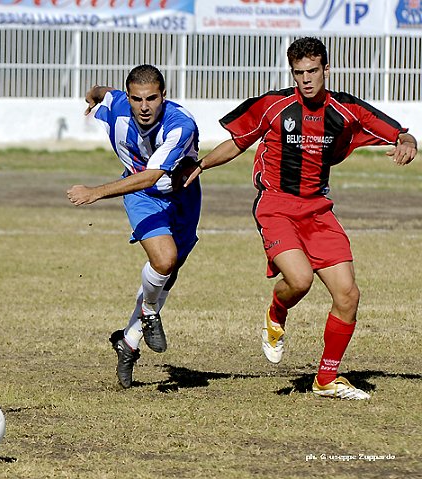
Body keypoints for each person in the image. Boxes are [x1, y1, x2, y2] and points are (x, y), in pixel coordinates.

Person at [184, 37, 417, 400]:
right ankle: (276, 314)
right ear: (292, 73)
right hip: (276, 205)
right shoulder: (274, 106)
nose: (306, 79)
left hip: (318, 210)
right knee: (300, 279)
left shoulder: (346, 108)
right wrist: (201, 164)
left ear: (326, 69)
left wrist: (407, 141)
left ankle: (326, 378)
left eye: (312, 71)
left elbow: (396, 131)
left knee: (348, 295)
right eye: (298, 73)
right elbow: (238, 142)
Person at [67, 64, 202, 389]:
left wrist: (96, 192)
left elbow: (154, 174)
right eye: (137, 99)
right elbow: (104, 93)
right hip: (141, 194)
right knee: (164, 260)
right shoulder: (117, 106)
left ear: (164, 96)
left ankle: (128, 341)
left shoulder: (180, 125)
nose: (144, 107)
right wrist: (94, 94)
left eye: (152, 98)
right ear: (128, 97)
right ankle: (151, 311)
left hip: (182, 195)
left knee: (172, 268)